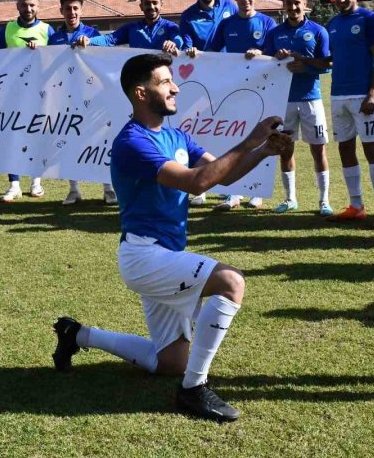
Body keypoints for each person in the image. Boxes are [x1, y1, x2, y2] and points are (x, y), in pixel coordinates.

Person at [51, 53, 293, 422]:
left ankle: (79, 335)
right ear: (140, 93)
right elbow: (196, 182)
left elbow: (220, 176)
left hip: (163, 255)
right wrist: (249, 141)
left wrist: (263, 151)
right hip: (145, 258)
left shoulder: (176, 136)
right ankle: (194, 391)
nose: (175, 87)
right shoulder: (132, 142)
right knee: (231, 282)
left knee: (170, 363)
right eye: (164, 82)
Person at [320, 0, 374, 229]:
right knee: (345, 150)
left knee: (372, 151)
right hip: (338, 95)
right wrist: (300, 61)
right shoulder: (333, 23)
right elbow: (331, 60)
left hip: (363, 96)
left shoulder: (370, 19)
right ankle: (356, 205)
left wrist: (372, 93)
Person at [205, 0, 277, 210]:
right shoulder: (227, 25)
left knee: (261, 138)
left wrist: (262, 53)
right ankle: (234, 193)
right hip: (234, 92)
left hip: (263, 90)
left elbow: (277, 55)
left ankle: (257, 190)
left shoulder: (267, 23)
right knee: (234, 139)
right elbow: (211, 54)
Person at [262, 0, 333, 215]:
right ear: (283, 4)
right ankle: (290, 198)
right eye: (289, 3)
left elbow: (327, 66)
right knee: (285, 148)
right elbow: (265, 64)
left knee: (318, 150)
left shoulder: (319, 31)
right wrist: (276, 57)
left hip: (312, 99)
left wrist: (305, 67)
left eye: (297, 2)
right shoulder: (274, 34)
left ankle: (324, 201)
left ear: (305, 4)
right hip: (285, 101)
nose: (293, 7)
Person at [0, 0, 54, 203]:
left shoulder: (47, 30)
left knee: (36, 136)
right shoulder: (8, 29)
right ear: (17, 6)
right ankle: (14, 184)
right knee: (11, 136)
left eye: (32, 5)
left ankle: (36, 182)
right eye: (24, 5)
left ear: (38, 7)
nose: (28, 9)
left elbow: (59, 58)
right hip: (12, 93)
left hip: (39, 93)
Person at [48, 0, 117, 205]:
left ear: (81, 10)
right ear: (61, 11)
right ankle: (74, 189)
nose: (72, 12)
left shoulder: (92, 32)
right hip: (65, 98)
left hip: (92, 96)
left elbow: (106, 55)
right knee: (69, 141)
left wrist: (92, 43)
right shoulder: (54, 39)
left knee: (101, 140)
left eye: (75, 8)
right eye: (67, 9)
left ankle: (108, 188)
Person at [180, 0, 238, 206]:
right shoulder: (188, 15)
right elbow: (185, 41)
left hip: (229, 80)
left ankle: (233, 189)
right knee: (200, 131)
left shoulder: (230, 7)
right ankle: (200, 187)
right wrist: (187, 48)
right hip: (201, 82)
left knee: (231, 131)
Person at [76, 0, 185, 56]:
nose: (151, 6)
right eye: (147, 3)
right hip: (140, 79)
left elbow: (179, 39)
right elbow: (109, 39)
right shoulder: (132, 28)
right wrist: (89, 41)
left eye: (155, 3)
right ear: (141, 6)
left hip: (163, 79)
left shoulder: (170, 27)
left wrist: (174, 43)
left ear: (161, 5)